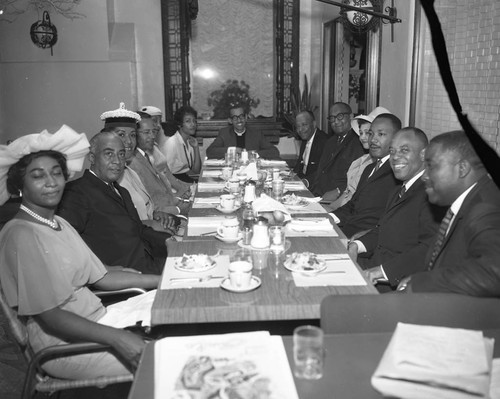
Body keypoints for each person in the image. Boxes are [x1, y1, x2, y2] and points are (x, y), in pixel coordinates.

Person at [0, 127, 159, 379]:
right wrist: (119, 339)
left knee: (173, 316)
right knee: (168, 360)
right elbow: (51, 317)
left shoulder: (58, 224)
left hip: (99, 319)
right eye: (38, 176)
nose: (51, 182)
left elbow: (103, 278)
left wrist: (162, 281)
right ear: (20, 184)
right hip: (63, 345)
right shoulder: (20, 234)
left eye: (56, 173)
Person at [397, 131, 500, 296]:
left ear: (462, 168)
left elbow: (495, 271)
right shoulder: (469, 199)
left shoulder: (485, 208)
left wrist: (423, 283)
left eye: (431, 166)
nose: (424, 176)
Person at [58, 131, 170, 275]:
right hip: (128, 277)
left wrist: (170, 242)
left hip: (149, 263)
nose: (117, 161)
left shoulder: (121, 191)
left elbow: (139, 230)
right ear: (92, 157)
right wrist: (103, 271)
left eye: (121, 154)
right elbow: (67, 249)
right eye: (109, 154)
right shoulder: (76, 193)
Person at [348, 128, 446, 291]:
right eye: (392, 151)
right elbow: (381, 230)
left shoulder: (431, 194)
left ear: (423, 155)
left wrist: (381, 272)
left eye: (404, 150)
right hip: (372, 266)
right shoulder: (398, 189)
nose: (395, 157)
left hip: (394, 282)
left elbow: (429, 248)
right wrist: (356, 246)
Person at [332, 113, 402, 237]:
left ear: (396, 139)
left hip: (364, 240)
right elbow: (353, 205)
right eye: (371, 134)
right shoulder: (369, 168)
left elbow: (382, 221)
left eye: (381, 134)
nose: (373, 140)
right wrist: (330, 218)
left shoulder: (397, 173)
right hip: (345, 231)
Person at [128, 112, 192, 216]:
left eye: (154, 131)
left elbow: (162, 194)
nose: (152, 136)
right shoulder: (133, 163)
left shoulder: (145, 156)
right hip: (163, 218)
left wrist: (181, 201)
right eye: (146, 132)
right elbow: (149, 207)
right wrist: (179, 209)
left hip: (171, 208)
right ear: (134, 134)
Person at [328, 107, 390, 210]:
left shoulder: (384, 167)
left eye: (368, 133)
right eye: (361, 133)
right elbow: (347, 194)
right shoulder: (360, 161)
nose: (362, 137)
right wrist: (329, 210)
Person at [309, 102, 365, 197]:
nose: (336, 121)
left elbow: (358, 178)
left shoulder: (359, 142)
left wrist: (339, 191)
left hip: (338, 198)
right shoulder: (330, 142)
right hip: (317, 194)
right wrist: (306, 182)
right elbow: (321, 170)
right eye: (332, 118)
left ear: (351, 116)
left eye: (340, 116)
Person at [205, 104, 280, 159]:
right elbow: (210, 151)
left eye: (241, 116)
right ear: (230, 120)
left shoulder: (256, 133)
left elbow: (274, 152)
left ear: (246, 117)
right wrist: (233, 150)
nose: (239, 120)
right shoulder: (225, 133)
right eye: (235, 118)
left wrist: (255, 154)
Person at [161, 106, 202, 183]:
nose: (193, 124)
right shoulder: (172, 143)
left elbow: (196, 171)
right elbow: (165, 173)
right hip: (175, 183)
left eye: (194, 121)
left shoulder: (190, 141)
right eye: (188, 121)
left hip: (187, 180)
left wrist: (196, 148)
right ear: (179, 124)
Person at [292, 110, 329, 183]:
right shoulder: (305, 139)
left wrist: (306, 182)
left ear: (314, 124)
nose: (300, 130)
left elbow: (323, 171)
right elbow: (300, 165)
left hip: (316, 186)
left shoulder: (324, 142)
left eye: (304, 125)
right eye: (298, 126)